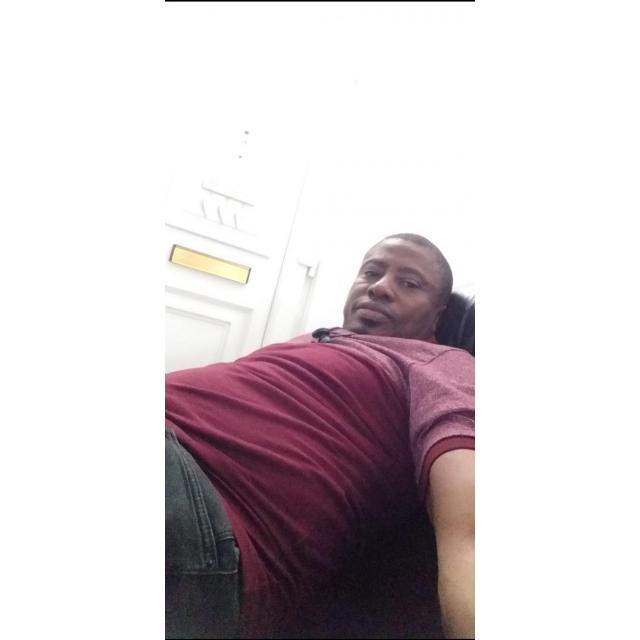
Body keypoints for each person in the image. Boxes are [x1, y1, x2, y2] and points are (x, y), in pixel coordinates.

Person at [165, 233, 475, 639]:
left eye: (409, 283)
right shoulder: (315, 340)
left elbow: (470, 535)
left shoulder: (443, 365)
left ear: (438, 315)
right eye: (371, 272)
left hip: (210, 512)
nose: (380, 287)